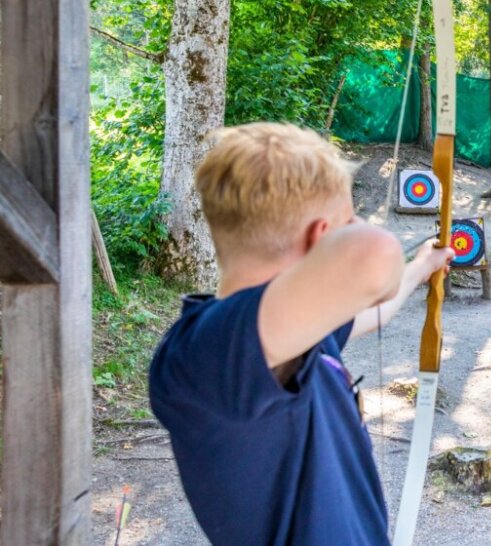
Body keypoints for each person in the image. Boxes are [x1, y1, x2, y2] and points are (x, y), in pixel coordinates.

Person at [149, 123, 453, 545]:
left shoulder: (298, 332)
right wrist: (359, 239)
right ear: (323, 237)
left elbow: (374, 311)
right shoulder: (209, 351)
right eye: (348, 221)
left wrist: (422, 266)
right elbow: (373, 257)